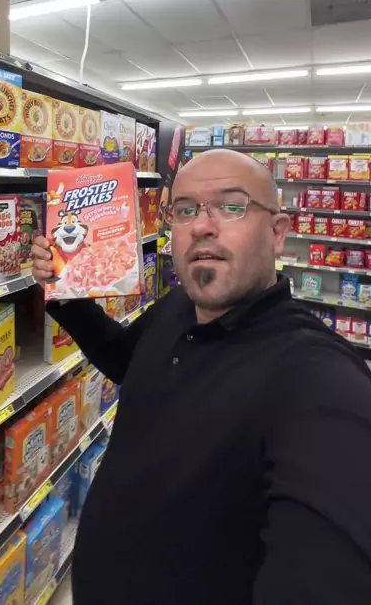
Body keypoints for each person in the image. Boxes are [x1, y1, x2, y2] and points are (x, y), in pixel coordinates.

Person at [32, 149, 371, 605]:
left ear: (277, 233)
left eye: (232, 206)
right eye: (185, 210)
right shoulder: (177, 307)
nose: (201, 226)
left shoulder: (319, 379)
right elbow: (125, 361)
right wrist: (64, 291)